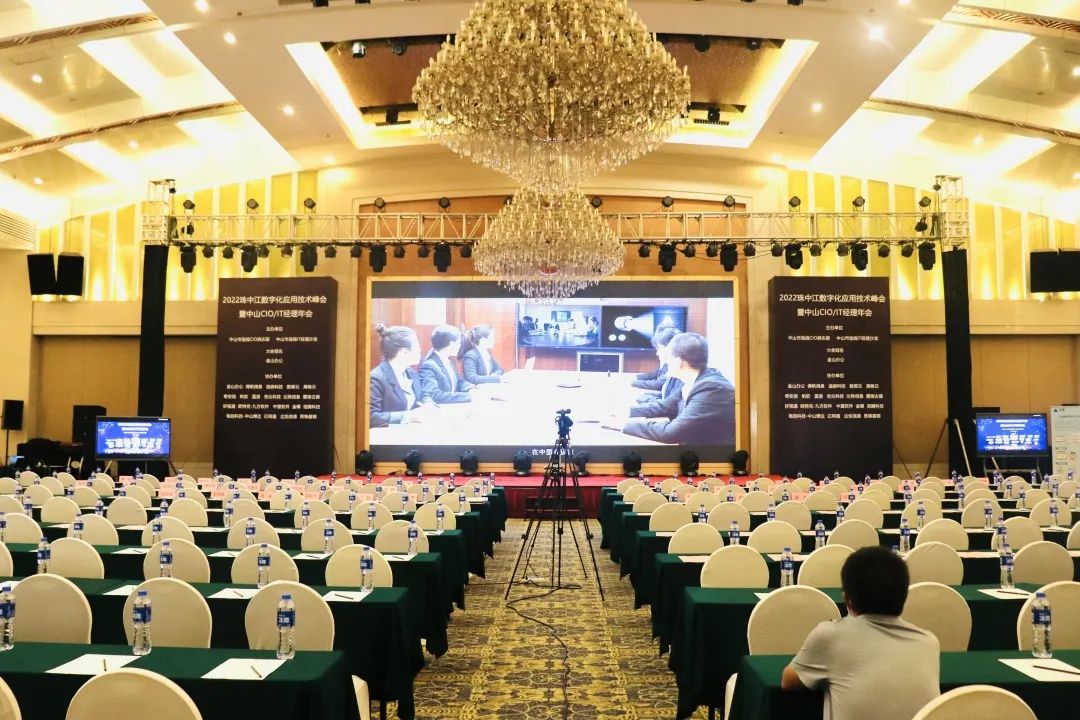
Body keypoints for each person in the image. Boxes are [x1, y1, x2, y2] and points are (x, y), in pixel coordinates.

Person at [781, 546, 940, 720]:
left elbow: (788, 681)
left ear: (847, 599)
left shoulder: (830, 635)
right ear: (905, 596)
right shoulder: (929, 642)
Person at [621, 332, 734, 445]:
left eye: (668, 358)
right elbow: (664, 406)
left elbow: (671, 433)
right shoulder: (695, 381)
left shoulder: (712, 389)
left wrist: (623, 425)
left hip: (710, 455)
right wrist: (625, 412)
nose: (666, 363)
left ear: (677, 362)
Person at [369, 324, 433, 427]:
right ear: (404, 352)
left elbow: (423, 394)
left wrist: (428, 403)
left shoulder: (411, 373)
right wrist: (407, 416)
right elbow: (371, 416)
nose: (420, 350)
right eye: (417, 347)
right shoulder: (376, 378)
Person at [419, 325, 473, 404]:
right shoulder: (429, 366)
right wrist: (470, 396)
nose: (460, 346)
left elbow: (459, 382)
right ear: (452, 344)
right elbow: (435, 395)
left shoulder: (449, 362)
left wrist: (472, 388)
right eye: (459, 343)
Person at [632, 326, 679, 392]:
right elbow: (657, 373)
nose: (657, 353)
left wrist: (632, 382)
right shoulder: (669, 362)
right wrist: (636, 378)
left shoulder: (677, 364)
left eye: (659, 349)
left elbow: (659, 384)